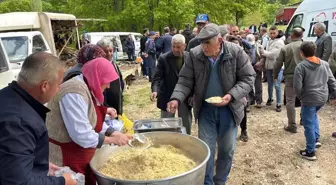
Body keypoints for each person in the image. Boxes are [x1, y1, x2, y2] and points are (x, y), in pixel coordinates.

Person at [167, 23, 255, 185]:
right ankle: (207, 182)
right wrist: (176, 98)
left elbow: (248, 78)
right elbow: (185, 80)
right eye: (201, 42)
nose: (204, 47)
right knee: (206, 149)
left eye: (207, 43)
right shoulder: (195, 55)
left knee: (226, 150)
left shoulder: (235, 52)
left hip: (229, 109)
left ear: (219, 40)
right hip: (206, 110)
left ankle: (220, 181)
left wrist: (231, 95)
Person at [47, 58, 132, 185]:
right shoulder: (74, 93)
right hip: (66, 155)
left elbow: (92, 120)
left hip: (81, 151)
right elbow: (81, 134)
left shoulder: (88, 87)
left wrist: (114, 133)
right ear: (97, 77)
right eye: (106, 81)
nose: (108, 86)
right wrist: (112, 140)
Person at [0, 52, 77, 185]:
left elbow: (10, 156)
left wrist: (37, 161)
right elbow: (18, 182)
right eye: (59, 84)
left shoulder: (6, 96)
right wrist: (62, 181)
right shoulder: (20, 122)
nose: (59, 89)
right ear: (44, 86)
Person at [293, 41, 336, 161]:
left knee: (308, 124)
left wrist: (301, 97)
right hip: (322, 97)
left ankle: (310, 151)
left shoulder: (301, 67)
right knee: (314, 116)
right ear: (315, 50)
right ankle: (316, 139)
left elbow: (297, 86)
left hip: (309, 99)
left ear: (301, 53)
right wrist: (334, 93)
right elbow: (332, 81)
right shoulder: (324, 64)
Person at [151, 34, 192, 134]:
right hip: (167, 96)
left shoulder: (190, 58)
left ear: (184, 46)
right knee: (167, 125)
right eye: (173, 46)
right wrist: (155, 91)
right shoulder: (163, 58)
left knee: (185, 124)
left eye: (178, 47)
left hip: (185, 97)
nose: (175, 49)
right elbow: (157, 77)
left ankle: (186, 142)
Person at [274, 26, 305, 133]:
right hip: (305, 77)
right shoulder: (306, 46)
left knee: (290, 101)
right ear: (302, 35)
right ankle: (304, 119)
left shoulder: (285, 48)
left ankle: (292, 125)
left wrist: (275, 75)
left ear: (291, 36)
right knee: (304, 99)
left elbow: (278, 63)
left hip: (291, 77)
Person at [260, 26, 285, 112]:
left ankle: (279, 103)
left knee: (277, 85)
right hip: (269, 66)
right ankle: (270, 98)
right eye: (271, 33)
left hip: (277, 67)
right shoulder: (269, 41)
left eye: (274, 33)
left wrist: (263, 52)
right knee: (269, 84)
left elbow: (273, 54)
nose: (272, 34)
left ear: (277, 33)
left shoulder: (280, 42)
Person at [97, 39, 125, 115]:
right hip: (107, 109)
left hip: (117, 104)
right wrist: (106, 108)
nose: (109, 54)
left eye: (111, 51)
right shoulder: (98, 67)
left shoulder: (114, 64)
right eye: (105, 52)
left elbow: (120, 80)